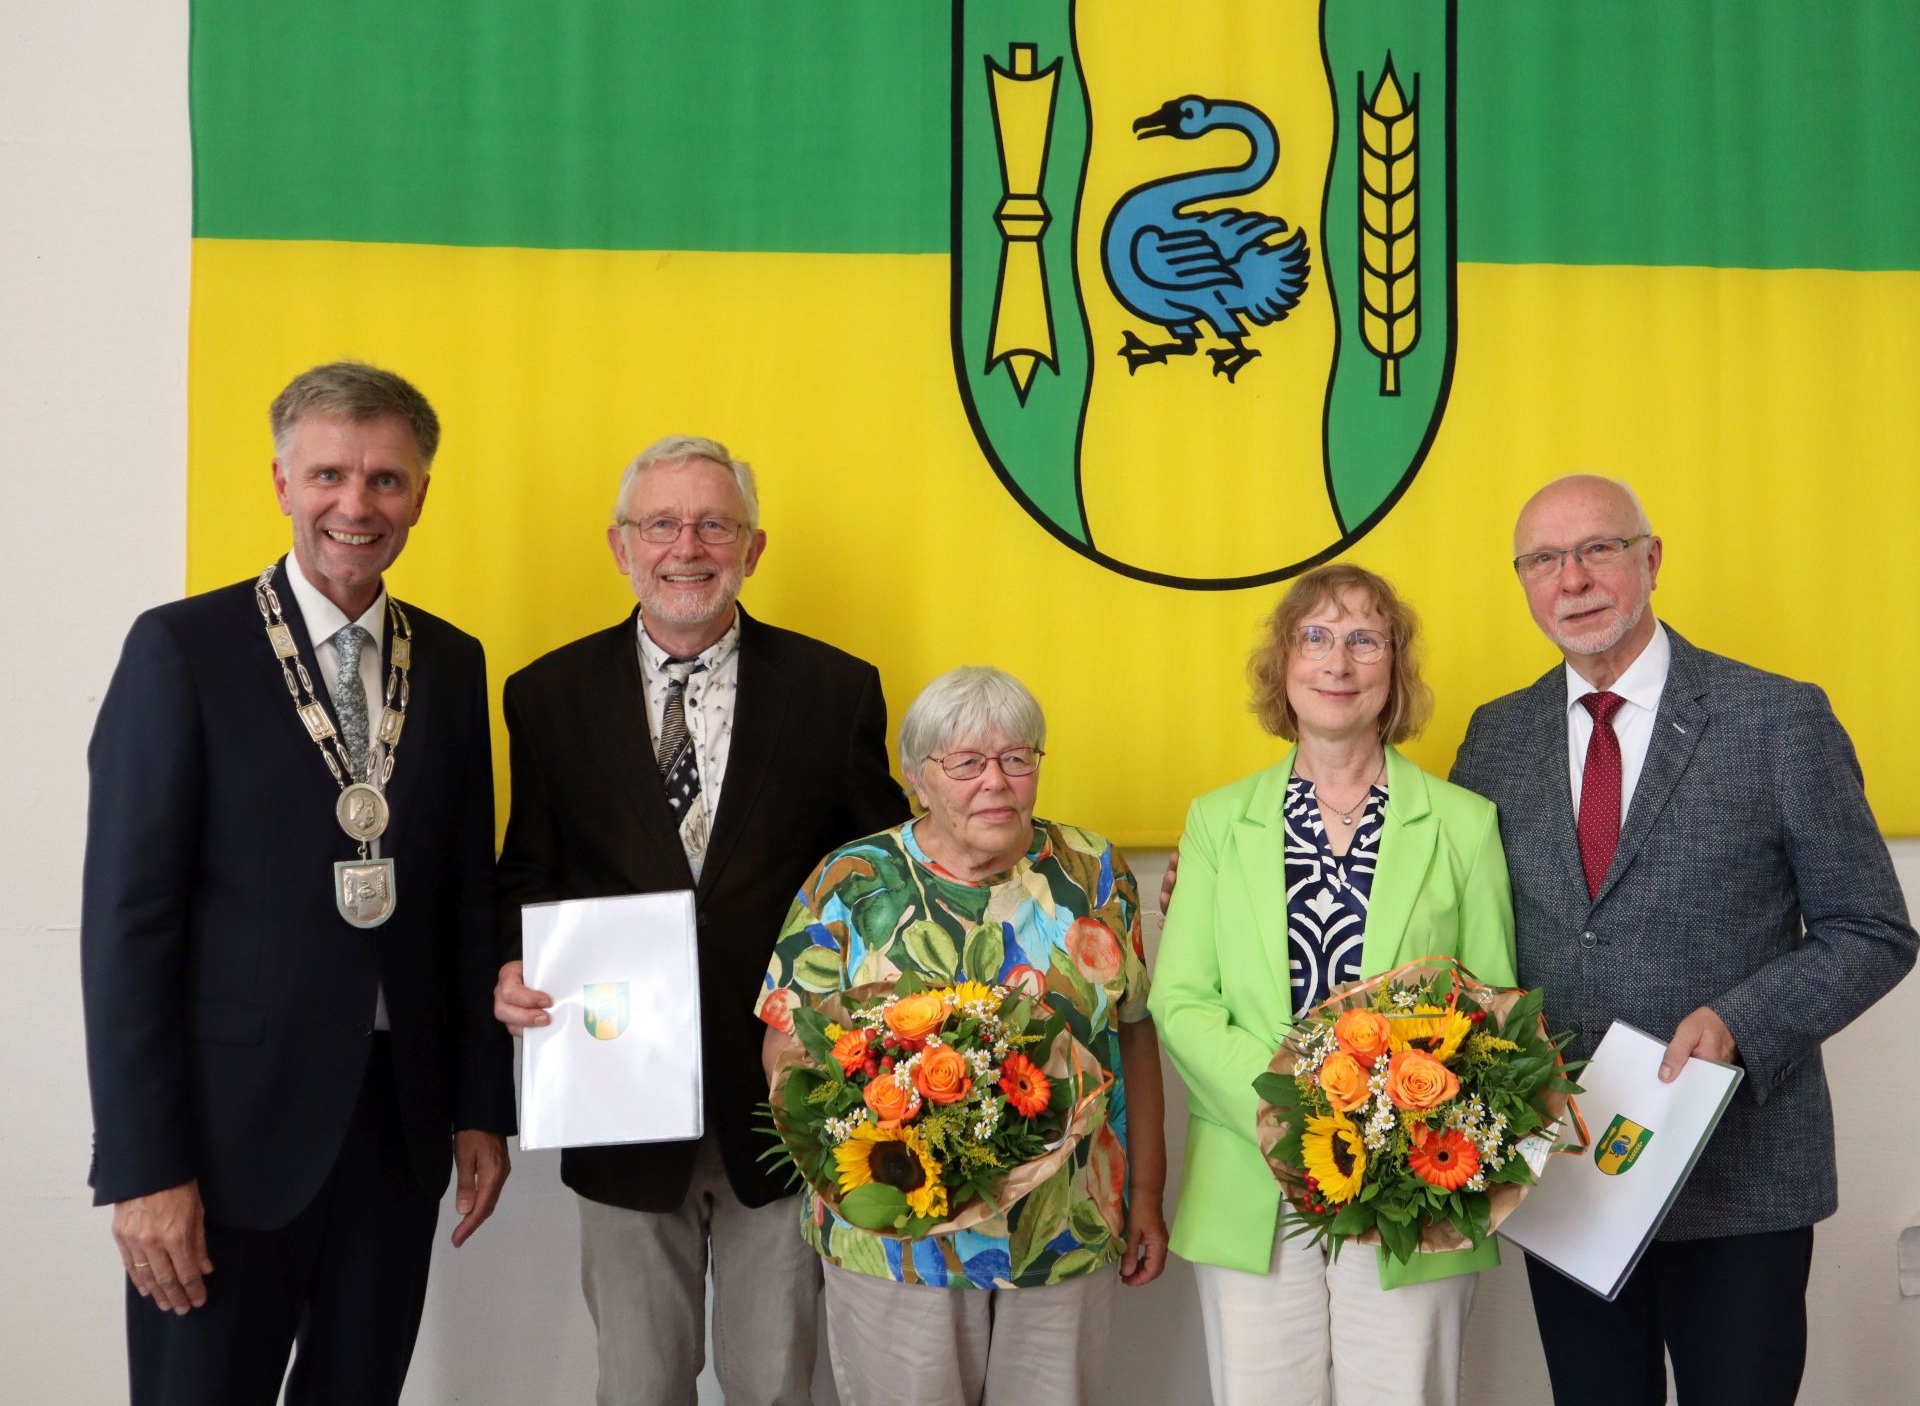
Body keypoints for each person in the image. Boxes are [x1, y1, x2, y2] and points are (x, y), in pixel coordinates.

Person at [81, 361, 516, 1405]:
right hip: (223, 1144)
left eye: (386, 481)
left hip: (394, 1133)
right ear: (281, 482)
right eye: (329, 475)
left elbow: (464, 900)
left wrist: (477, 1105)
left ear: (421, 493)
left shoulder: (452, 665)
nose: (356, 506)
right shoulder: (182, 649)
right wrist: (144, 1168)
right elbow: (127, 925)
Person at [1450, 474, 1916, 1406]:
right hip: (1569, 1173)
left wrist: (1741, 1019)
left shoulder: (1778, 719)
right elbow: (1448, 909)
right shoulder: (1494, 737)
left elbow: (1872, 929)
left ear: (1651, 559)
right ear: (1524, 584)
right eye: (1545, 559)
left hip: (1741, 1173)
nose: (1572, 578)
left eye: (1599, 549)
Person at [491, 435, 908, 1406]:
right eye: (662, 524)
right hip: (619, 1102)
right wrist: (509, 967)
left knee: (777, 1387)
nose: (688, 545)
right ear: (621, 545)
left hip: (786, 1110)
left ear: (753, 548)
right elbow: (527, 871)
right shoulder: (547, 696)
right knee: (637, 1385)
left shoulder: (834, 689)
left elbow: (880, 881)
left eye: (714, 524)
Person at [1150, 563, 1516, 1406]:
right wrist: (1299, 1113)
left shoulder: (1464, 823)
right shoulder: (1217, 820)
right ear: (1283, 664)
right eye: (1315, 637)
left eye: (1364, 640)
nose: (1338, 661)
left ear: (1395, 669)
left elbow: (1492, 1005)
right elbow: (1182, 999)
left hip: (1412, 1175)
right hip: (1251, 1171)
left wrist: (1385, 1121)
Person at [756, 666, 1169, 1406]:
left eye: (1018, 759)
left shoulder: (1095, 871)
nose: (997, 783)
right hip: (897, 1240)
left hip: (1065, 1229)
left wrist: (1145, 1193)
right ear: (917, 778)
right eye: (967, 763)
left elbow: (1133, 1034)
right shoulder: (850, 880)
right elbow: (788, 1046)